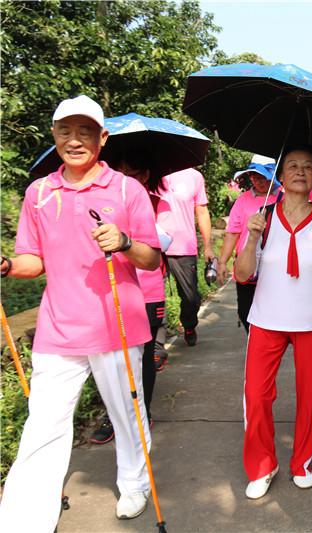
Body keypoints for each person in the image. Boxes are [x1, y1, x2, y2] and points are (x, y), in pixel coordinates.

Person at [0, 95, 161, 529]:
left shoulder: (127, 190)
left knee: (127, 415)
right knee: (44, 422)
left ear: (102, 137)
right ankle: (26, 514)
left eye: (85, 131)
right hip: (58, 328)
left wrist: (125, 242)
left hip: (118, 327)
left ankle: (134, 484)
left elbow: (151, 260)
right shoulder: (38, 192)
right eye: (66, 131)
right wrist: (9, 266)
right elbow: (34, 260)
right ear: (54, 137)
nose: (75, 140)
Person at [233, 145, 312, 498]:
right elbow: (241, 275)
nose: (300, 171)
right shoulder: (262, 219)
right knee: (256, 394)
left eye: (308, 167)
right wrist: (252, 238)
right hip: (267, 320)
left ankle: (302, 462)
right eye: (292, 166)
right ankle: (262, 465)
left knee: (309, 397)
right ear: (280, 176)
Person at [90, 151, 174, 445]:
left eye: (132, 172)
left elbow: (163, 241)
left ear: (146, 174)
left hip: (148, 287)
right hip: (111, 290)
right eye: (119, 170)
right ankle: (111, 415)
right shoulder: (99, 197)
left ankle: (143, 411)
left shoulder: (155, 202)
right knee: (106, 359)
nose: (125, 178)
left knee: (144, 356)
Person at [217, 163, 280, 332]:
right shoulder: (243, 200)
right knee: (245, 310)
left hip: (274, 265)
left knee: (272, 311)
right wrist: (223, 262)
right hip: (246, 262)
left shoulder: (284, 198)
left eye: (262, 177)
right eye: (254, 177)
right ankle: (254, 340)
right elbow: (233, 232)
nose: (258, 181)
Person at [157, 167, 215, 346]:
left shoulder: (194, 176)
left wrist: (208, 246)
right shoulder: (151, 171)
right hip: (152, 245)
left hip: (183, 245)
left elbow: (202, 212)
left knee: (191, 297)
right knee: (153, 296)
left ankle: (189, 325)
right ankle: (157, 341)